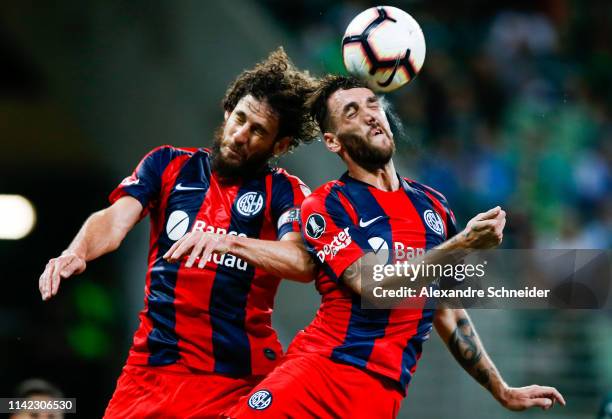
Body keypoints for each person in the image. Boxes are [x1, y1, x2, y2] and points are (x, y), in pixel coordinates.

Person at [221, 75, 565, 417]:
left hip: (380, 399)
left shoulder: (434, 206)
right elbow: (374, 288)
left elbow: (445, 309)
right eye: (351, 112)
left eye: (373, 104)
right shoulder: (327, 205)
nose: (371, 114)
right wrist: (464, 243)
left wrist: (501, 390)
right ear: (333, 141)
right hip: (317, 378)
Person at [37, 48, 318, 418]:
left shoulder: (286, 192)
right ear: (227, 111)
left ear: (279, 145)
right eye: (239, 119)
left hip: (236, 379)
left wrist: (229, 240)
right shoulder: (168, 164)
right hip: (152, 370)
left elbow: (302, 261)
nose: (239, 135)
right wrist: (78, 251)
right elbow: (115, 218)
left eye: (257, 130)